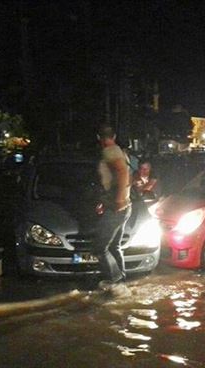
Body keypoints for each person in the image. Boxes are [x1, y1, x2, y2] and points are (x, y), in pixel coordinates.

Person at [94, 125, 132, 296]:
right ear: (114, 136)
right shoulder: (120, 151)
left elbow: (122, 172)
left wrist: (118, 199)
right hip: (124, 206)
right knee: (115, 246)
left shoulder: (110, 151)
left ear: (99, 138)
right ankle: (121, 282)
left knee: (100, 247)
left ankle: (115, 282)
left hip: (117, 207)